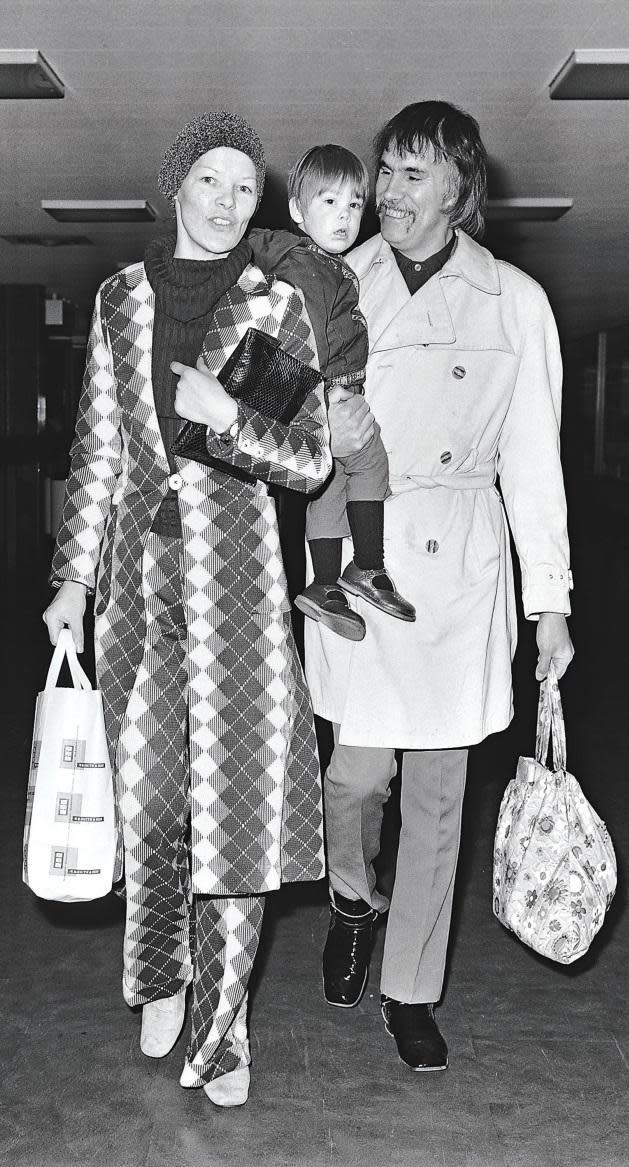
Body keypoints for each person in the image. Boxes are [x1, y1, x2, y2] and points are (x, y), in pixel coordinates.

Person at [42, 111, 332, 1107]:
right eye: (210, 179)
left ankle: (225, 1026)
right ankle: (162, 972)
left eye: (245, 187)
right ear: (176, 186)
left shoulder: (271, 308)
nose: (226, 199)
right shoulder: (120, 299)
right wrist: (73, 583)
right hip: (134, 590)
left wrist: (230, 419)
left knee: (236, 816)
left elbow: (305, 459)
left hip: (237, 592)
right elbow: (99, 454)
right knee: (152, 802)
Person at [303, 100, 575, 1072]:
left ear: (461, 189)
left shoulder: (514, 303)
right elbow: (273, 402)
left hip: (458, 564)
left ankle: (409, 990)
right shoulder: (336, 284)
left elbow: (534, 464)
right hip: (362, 550)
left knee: (437, 798)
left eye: (413, 173)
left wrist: (549, 606)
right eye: (383, 170)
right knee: (354, 775)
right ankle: (347, 896)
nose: (389, 190)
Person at [250, 145, 415, 642]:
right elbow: (247, 244)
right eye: (329, 203)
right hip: (321, 393)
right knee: (371, 460)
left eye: (354, 205)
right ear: (298, 210)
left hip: (327, 393)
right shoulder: (299, 258)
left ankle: (323, 584)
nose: (344, 217)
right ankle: (366, 564)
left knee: (330, 483)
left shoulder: (336, 266)